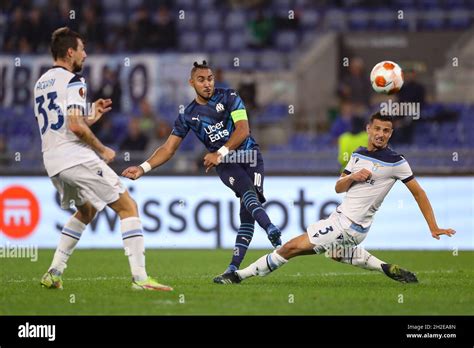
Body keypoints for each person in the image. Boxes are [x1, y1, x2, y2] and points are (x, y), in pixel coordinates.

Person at [214, 112, 455, 285]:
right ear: (368, 129)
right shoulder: (358, 154)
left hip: (350, 225)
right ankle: (384, 267)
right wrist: (354, 177)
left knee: (290, 247)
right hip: (342, 220)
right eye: (378, 129)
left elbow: (418, 192)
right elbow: (339, 186)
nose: (381, 134)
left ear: (391, 133)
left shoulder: (396, 162)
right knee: (335, 253)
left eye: (386, 130)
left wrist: (433, 226)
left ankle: (238, 276)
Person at [35, 27, 172, 291]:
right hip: (75, 157)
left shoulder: (41, 83)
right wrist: (101, 149)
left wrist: (91, 118)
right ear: (70, 52)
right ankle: (140, 279)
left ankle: (54, 272)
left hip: (52, 161)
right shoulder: (74, 81)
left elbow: (66, 123)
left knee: (87, 210)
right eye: (82, 49)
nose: (85, 55)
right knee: (127, 207)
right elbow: (75, 127)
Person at [122, 60, 282, 282]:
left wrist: (220, 152)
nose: (207, 84)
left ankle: (231, 270)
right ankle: (271, 228)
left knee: (247, 216)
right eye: (201, 80)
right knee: (249, 195)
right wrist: (142, 167)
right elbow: (168, 149)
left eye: (210, 79)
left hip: (250, 156)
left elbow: (243, 130)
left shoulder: (229, 97)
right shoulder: (188, 115)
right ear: (191, 83)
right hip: (225, 164)